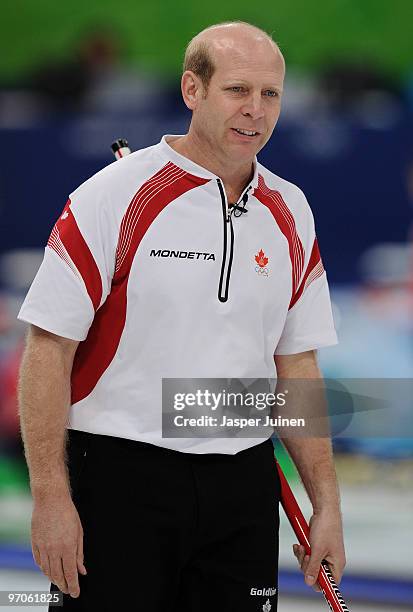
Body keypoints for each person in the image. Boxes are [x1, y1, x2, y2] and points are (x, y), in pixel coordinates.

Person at [18, 21, 346, 611]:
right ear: (192, 90)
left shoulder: (290, 209)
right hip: (121, 474)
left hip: (243, 481)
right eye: (237, 90)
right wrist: (49, 498)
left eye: (270, 94)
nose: (256, 111)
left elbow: (296, 361)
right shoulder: (113, 195)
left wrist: (327, 505)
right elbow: (47, 349)